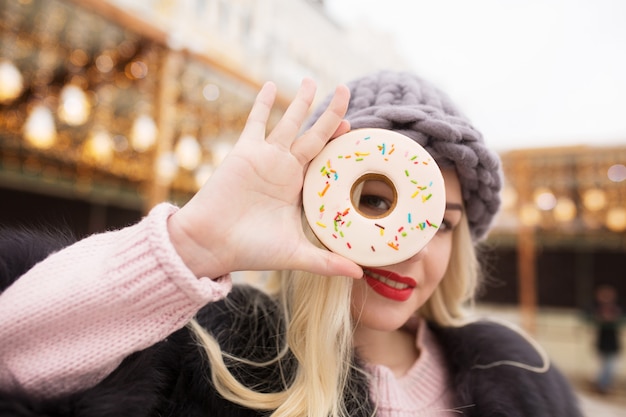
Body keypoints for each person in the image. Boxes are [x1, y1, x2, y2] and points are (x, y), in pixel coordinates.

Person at [0, 71, 583, 417]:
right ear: (314, 205)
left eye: (443, 223)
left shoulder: (523, 377)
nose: (409, 248)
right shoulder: (215, 358)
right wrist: (191, 246)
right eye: (377, 202)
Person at [590, 284, 623, 394]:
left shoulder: (616, 309)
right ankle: (603, 384)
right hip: (602, 341)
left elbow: (619, 320)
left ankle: (604, 383)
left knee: (609, 364)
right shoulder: (597, 309)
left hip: (613, 342)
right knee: (605, 364)